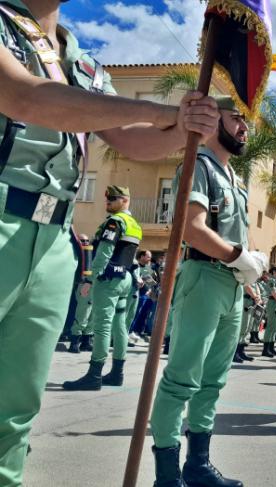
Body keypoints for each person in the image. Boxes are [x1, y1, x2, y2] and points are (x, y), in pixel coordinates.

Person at [0, 0, 219, 481]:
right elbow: (24, 97)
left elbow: (131, 138)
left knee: (14, 412)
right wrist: (159, 109)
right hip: (3, 212)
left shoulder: (80, 59)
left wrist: (183, 129)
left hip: (54, 236)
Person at [148, 95, 266, 487]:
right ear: (215, 120)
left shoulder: (235, 180)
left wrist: (246, 267)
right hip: (203, 278)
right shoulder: (198, 165)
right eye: (238, 119)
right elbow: (191, 229)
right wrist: (238, 256)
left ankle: (197, 466)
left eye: (246, 122)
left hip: (230, 286)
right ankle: (167, 475)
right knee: (182, 380)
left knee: (213, 382)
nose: (245, 128)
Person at [62, 185, 142, 390]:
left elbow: (103, 254)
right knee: (120, 325)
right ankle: (117, 374)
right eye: (107, 199)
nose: (107, 203)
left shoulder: (115, 222)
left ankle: (94, 375)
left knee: (102, 326)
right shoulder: (134, 223)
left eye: (113, 199)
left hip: (107, 280)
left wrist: (90, 280)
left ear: (125, 200)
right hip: (124, 279)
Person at [68, 233, 94, 353]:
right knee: (82, 315)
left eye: (87, 241)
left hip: (94, 286)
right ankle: (74, 343)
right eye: (82, 241)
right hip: (83, 285)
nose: (85, 243)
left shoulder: (92, 254)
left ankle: (86, 342)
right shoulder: (74, 252)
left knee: (91, 316)